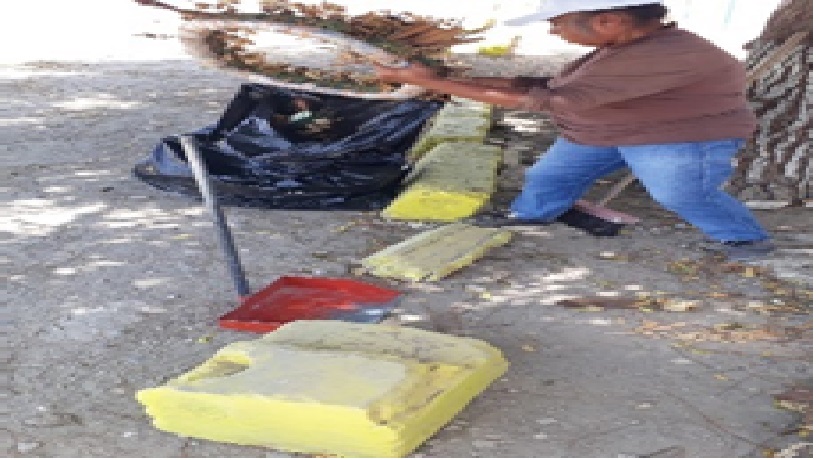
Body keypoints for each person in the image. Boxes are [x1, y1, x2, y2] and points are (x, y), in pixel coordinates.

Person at [374, 0, 774, 262]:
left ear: (607, 21)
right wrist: (444, 76)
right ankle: (531, 216)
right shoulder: (627, 46)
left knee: (680, 193)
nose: (553, 31)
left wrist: (435, 83)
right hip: (610, 128)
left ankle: (744, 239)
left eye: (557, 23)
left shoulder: (669, 54)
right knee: (550, 177)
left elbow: (543, 100)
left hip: (677, 135)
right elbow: (543, 86)